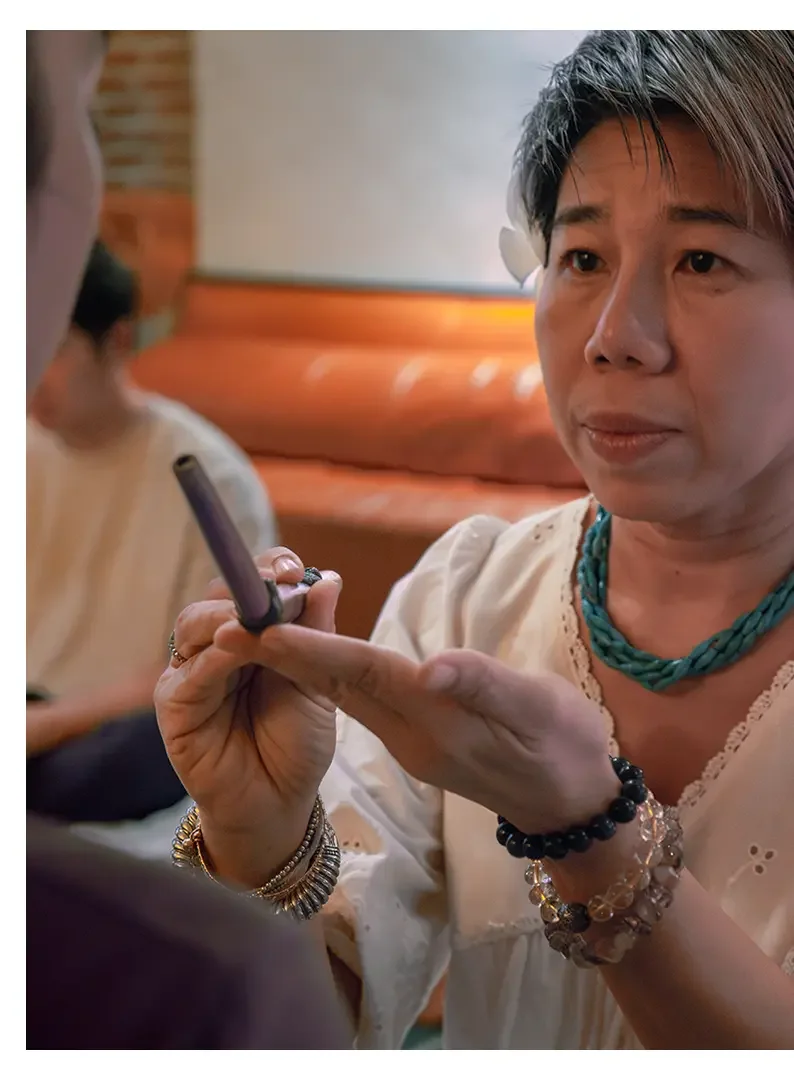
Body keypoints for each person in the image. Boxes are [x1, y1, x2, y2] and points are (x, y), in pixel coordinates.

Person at [155, 30, 794, 1050]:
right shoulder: (468, 595)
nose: (612, 333)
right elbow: (312, 1027)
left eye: (700, 259)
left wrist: (585, 827)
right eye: (579, 257)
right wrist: (258, 830)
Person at [26, 30, 350, 1049]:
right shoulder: (21, 449)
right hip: (38, 707)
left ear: (117, 339)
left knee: (131, 755)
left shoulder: (201, 467)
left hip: (118, 722)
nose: (33, 379)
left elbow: (188, 672)